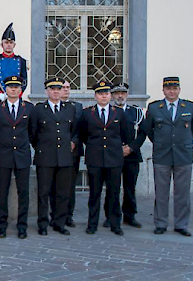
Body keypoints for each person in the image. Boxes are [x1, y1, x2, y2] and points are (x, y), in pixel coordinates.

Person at [140, 77, 193, 236]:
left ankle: (181, 224)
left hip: (183, 155)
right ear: (163, 90)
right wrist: (162, 142)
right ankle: (160, 223)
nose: (171, 92)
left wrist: (181, 142)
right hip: (162, 155)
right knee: (161, 192)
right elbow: (149, 129)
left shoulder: (190, 106)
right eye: (168, 89)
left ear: (179, 90)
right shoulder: (154, 108)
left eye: (174, 89)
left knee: (182, 192)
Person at [78, 81, 131, 236]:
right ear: (95, 96)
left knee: (114, 193)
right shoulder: (87, 113)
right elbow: (82, 135)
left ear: (110, 95)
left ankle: (115, 224)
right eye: (100, 93)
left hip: (114, 160)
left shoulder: (119, 113)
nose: (104, 96)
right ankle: (92, 224)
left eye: (106, 93)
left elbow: (125, 134)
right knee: (94, 193)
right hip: (95, 159)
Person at [28, 77, 77, 236]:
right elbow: (33, 133)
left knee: (62, 193)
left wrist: (72, 143)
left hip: (64, 156)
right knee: (43, 192)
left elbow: (74, 131)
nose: (56, 92)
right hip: (45, 156)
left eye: (58, 89)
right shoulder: (38, 109)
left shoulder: (69, 109)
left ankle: (59, 222)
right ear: (47, 91)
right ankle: (43, 223)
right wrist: (41, 148)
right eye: (52, 89)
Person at [0, 76, 33, 239]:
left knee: (23, 192)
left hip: (22, 155)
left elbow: (33, 131)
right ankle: (2, 225)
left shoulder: (29, 108)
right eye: (10, 87)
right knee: (2, 192)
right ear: (5, 90)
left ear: (21, 90)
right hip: (4, 155)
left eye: (16, 87)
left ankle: (22, 226)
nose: (13, 89)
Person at [103, 82, 147, 228]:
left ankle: (130, 216)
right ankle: (110, 216)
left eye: (122, 93)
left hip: (132, 155)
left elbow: (142, 133)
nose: (119, 96)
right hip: (112, 155)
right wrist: (117, 149)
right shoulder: (107, 111)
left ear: (127, 94)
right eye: (116, 93)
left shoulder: (136, 112)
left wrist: (131, 148)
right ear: (111, 95)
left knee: (130, 188)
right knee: (112, 188)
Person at [0, 23, 28, 166]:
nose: (8, 45)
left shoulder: (21, 61)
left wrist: (14, 95)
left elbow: (24, 81)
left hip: (16, 100)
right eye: (6, 43)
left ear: (14, 45)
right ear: (1, 44)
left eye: (11, 43)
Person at [49, 80, 84, 228]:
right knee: (53, 186)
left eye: (68, 88)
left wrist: (74, 141)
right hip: (53, 151)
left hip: (72, 151)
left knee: (69, 186)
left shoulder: (77, 107)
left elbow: (81, 128)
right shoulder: (48, 107)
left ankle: (68, 215)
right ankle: (54, 215)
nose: (66, 90)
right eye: (62, 88)